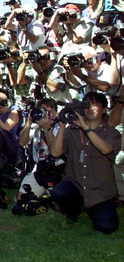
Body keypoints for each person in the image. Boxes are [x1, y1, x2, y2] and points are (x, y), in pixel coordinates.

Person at [50, 92, 121, 234]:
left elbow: (106, 150)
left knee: (107, 227)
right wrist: (62, 126)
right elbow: (55, 153)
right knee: (59, 192)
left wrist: (86, 128)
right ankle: (74, 211)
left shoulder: (111, 133)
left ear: (104, 109)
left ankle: (94, 207)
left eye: (95, 104)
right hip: (76, 183)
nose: (90, 108)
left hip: (100, 190)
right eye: (87, 104)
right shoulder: (73, 131)